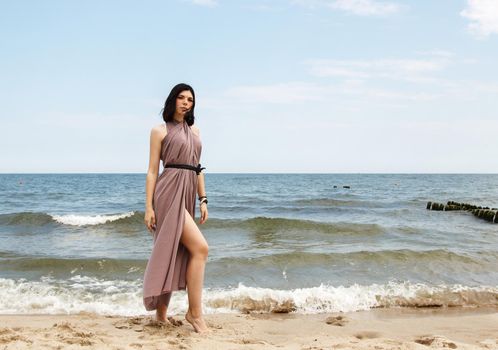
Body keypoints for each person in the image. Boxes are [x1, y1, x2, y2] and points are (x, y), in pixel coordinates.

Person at [142, 83, 210, 334]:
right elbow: (152, 171)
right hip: (168, 191)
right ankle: (195, 314)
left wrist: (203, 199)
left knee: (175, 252)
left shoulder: (195, 131)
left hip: (188, 192)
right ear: (172, 100)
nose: (185, 102)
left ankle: (161, 315)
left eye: (190, 99)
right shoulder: (159, 131)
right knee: (200, 248)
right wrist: (148, 207)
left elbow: (197, 167)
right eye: (181, 98)